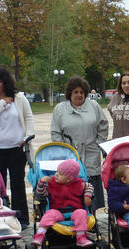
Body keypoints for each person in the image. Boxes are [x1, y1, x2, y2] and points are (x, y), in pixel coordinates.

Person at [0, 68, 34, 226]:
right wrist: (2, 103)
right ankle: (2, 217)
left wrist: (27, 137)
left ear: (6, 82)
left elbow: (29, 117)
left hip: (17, 148)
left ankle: (22, 219)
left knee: (18, 184)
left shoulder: (19, 98)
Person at [51, 76, 108, 210]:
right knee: (71, 183)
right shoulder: (60, 109)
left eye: (82, 92)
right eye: (75, 92)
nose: (79, 95)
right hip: (69, 154)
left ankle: (92, 216)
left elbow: (103, 124)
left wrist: (98, 143)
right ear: (70, 93)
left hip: (90, 151)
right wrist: (63, 149)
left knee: (91, 183)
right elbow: (55, 132)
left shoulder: (93, 105)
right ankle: (74, 213)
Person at [31, 159, 94, 247]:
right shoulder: (51, 183)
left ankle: (81, 237)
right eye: (57, 171)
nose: (56, 174)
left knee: (82, 213)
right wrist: (41, 182)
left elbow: (89, 186)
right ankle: (40, 235)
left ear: (69, 179)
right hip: (58, 211)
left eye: (60, 174)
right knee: (49, 214)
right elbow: (41, 193)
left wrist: (87, 196)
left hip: (74, 211)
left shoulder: (79, 184)